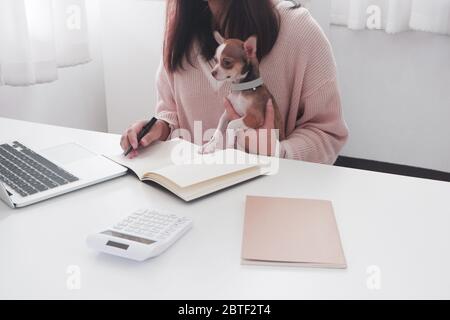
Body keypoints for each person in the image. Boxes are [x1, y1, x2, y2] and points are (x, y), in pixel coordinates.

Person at [120, 0, 349, 164]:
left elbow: (327, 133)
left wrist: (279, 152)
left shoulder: (300, 31)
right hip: (194, 198)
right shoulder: (180, 34)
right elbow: (170, 112)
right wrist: (159, 128)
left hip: (269, 201)